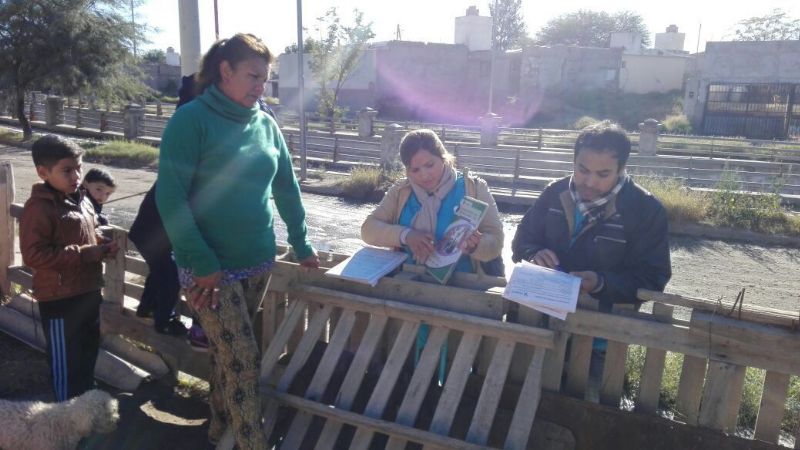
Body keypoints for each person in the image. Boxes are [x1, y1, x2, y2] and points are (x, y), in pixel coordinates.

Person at [155, 33, 319, 448]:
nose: (260, 87)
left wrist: (301, 244)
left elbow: (286, 185)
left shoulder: (265, 122)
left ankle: (218, 430)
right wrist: (200, 261)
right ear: (225, 71)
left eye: (266, 80)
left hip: (256, 261)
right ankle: (250, 442)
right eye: (253, 77)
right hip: (208, 268)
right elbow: (170, 196)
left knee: (226, 356)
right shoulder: (192, 120)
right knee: (245, 362)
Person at [361, 129, 504, 382]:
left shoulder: (473, 187)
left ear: (444, 157)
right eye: (415, 170)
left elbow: (496, 241)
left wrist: (474, 246)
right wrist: (406, 235)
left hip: (461, 293)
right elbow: (369, 230)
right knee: (409, 361)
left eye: (430, 165)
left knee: (457, 362)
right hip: (410, 292)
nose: (424, 175)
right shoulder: (400, 192)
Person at [511, 122, 671, 309]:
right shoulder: (554, 192)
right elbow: (522, 241)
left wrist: (600, 284)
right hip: (538, 312)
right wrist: (534, 254)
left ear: (621, 169)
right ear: (573, 161)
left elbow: (653, 278)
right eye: (583, 170)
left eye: (603, 174)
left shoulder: (646, 210)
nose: (589, 182)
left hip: (600, 325)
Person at [20, 135, 118, 401]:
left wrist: (100, 243)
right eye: (67, 170)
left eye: (79, 167)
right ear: (43, 172)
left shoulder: (83, 200)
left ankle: (84, 407)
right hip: (60, 300)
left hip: (87, 291)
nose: (76, 175)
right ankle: (65, 418)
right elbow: (33, 255)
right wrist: (87, 253)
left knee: (87, 351)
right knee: (66, 361)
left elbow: (83, 235)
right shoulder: (38, 208)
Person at [128, 184, 188, 337]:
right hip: (151, 236)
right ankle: (164, 322)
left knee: (160, 271)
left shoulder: (174, 177)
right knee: (171, 276)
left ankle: (146, 308)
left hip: (152, 235)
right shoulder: (178, 179)